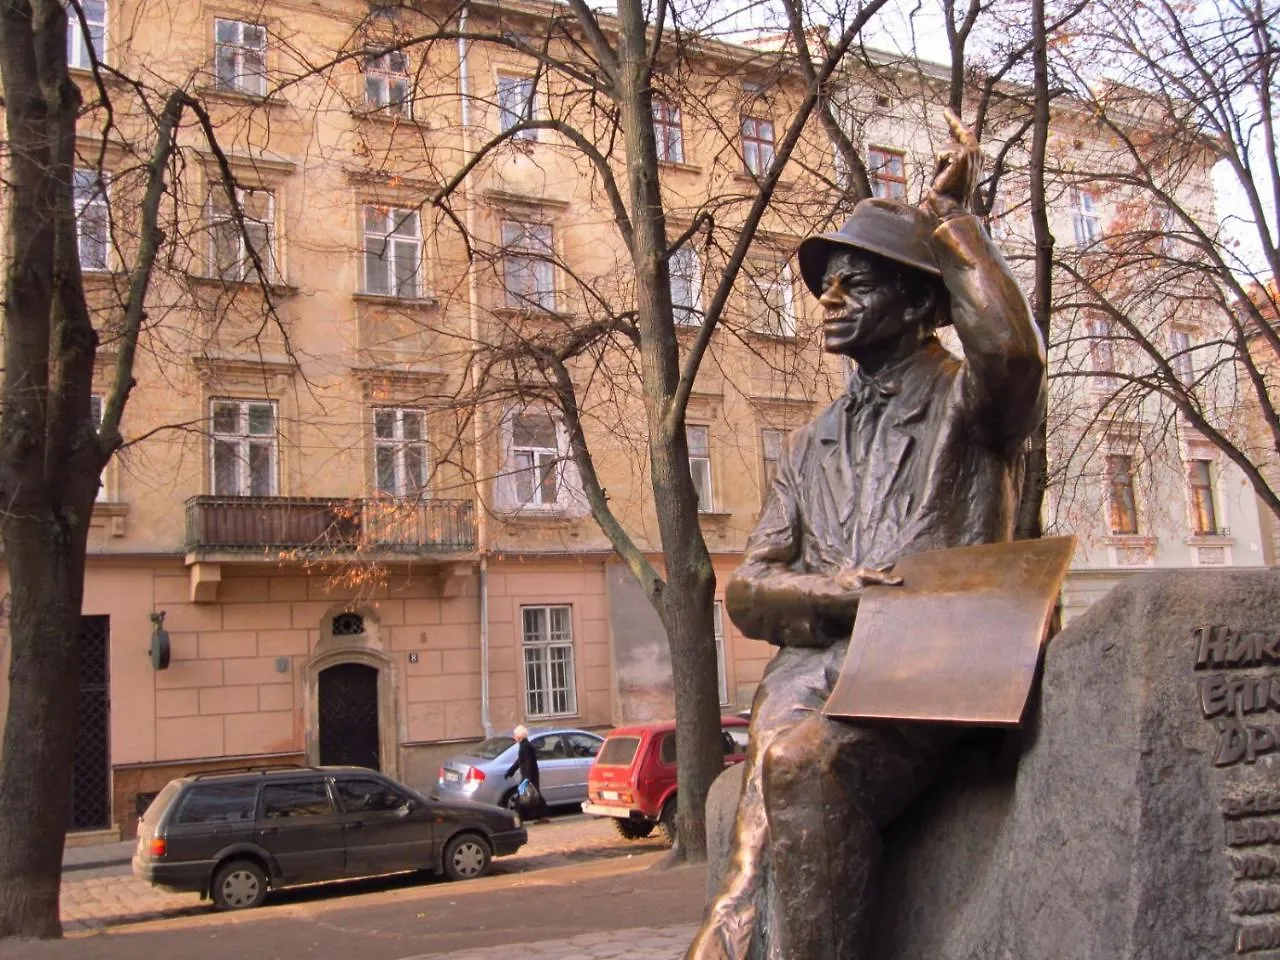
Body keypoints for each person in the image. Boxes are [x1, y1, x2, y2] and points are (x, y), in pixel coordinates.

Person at [686, 112, 1046, 960]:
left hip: (935, 667)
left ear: (922, 302)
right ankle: (735, 928)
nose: (831, 301)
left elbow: (1015, 355)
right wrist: (834, 595)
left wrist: (954, 227)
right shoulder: (812, 440)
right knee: (786, 757)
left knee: (803, 767)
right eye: (828, 286)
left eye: (858, 284)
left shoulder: (970, 403)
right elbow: (749, 585)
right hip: (816, 675)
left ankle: (732, 932)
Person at [505, 725, 549, 822]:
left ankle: (518, 816)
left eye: (515, 735)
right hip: (529, 775)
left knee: (523, 794)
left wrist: (527, 778)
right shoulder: (524, 745)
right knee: (535, 794)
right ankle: (543, 815)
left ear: (520, 736)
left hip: (528, 775)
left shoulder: (526, 746)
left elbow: (528, 762)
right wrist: (511, 771)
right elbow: (520, 761)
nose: (514, 737)